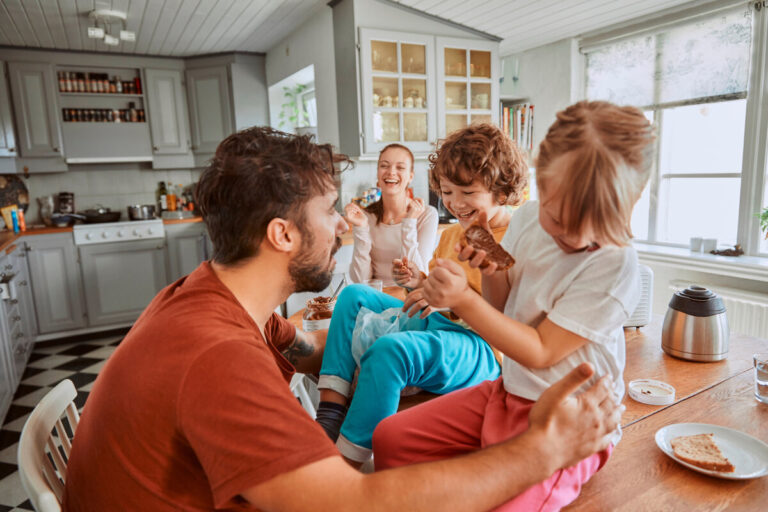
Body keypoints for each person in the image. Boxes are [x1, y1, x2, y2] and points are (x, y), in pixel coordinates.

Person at [63, 126, 622, 511]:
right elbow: (352, 503)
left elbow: (299, 348)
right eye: (330, 212)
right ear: (282, 235)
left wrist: (352, 349)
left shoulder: (206, 299)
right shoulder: (218, 358)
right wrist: (543, 451)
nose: (342, 224)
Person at [375, 101, 654, 511]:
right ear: (541, 184)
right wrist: (490, 268)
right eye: (556, 214)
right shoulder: (526, 220)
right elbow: (503, 305)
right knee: (389, 438)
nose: (567, 233)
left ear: (625, 209)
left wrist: (463, 300)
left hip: (570, 419)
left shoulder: (615, 265)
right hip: (509, 391)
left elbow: (540, 350)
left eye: (588, 223)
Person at [316, 123, 528, 466]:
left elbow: (502, 321)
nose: (455, 203)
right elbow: (435, 292)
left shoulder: (516, 237)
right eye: (446, 191)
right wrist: (420, 282)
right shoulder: (451, 235)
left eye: (467, 192)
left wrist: (452, 302)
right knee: (353, 296)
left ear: (501, 190)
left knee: (389, 351)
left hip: (482, 351)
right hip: (440, 325)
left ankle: (346, 462)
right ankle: (328, 416)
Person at [346, 143, 438, 286]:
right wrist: (361, 228)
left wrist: (409, 223)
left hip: (410, 300)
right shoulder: (366, 217)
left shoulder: (426, 215)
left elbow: (417, 276)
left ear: (410, 176)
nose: (391, 172)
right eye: (384, 166)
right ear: (377, 173)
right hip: (375, 299)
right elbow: (360, 280)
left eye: (400, 167)